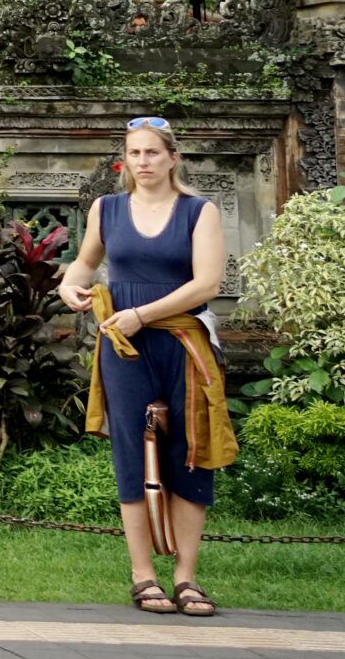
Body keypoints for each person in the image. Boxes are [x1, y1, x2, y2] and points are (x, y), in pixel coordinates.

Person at [58, 116, 234, 618]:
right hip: (123, 346)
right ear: (125, 161)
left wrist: (142, 315)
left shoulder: (199, 213)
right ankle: (143, 576)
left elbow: (206, 285)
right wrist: (69, 285)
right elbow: (85, 263)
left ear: (173, 157)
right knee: (131, 450)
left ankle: (186, 578)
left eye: (152, 153)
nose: (143, 162)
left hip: (182, 342)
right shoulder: (107, 209)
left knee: (191, 450)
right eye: (134, 154)